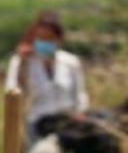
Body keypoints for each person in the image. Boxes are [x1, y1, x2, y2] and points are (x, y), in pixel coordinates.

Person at [5, 11, 89, 146]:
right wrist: (23, 64)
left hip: (67, 125)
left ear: (58, 39)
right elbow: (13, 93)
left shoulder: (71, 62)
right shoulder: (20, 62)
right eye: (41, 38)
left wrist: (80, 114)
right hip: (36, 125)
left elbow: (80, 94)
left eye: (50, 38)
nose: (45, 42)